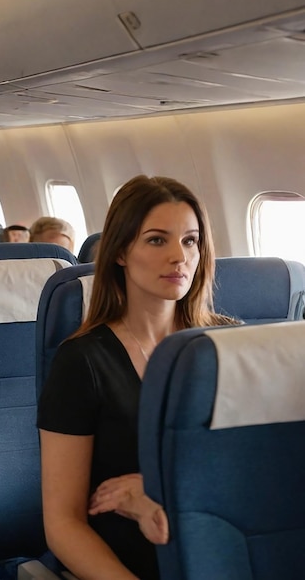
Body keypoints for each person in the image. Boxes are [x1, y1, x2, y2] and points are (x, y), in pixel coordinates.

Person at [37, 175, 237, 580]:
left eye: (190, 240)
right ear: (122, 252)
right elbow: (63, 523)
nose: (179, 257)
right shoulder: (83, 362)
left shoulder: (230, 344)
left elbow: (255, 471)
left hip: (227, 545)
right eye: (157, 240)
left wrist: (154, 492)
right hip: (130, 561)